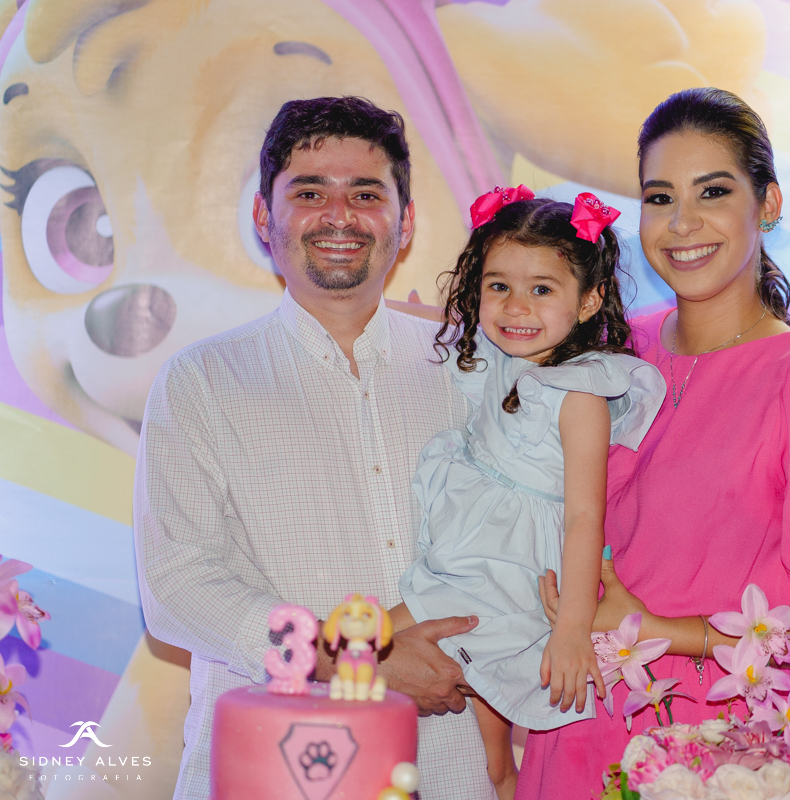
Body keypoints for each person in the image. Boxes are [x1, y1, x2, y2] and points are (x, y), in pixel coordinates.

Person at [515, 87, 790, 798]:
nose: (682, 223)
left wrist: (662, 629)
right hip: (572, 726)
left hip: (721, 753)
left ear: (769, 203)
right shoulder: (608, 354)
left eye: (713, 192)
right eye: (659, 198)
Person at [133, 96, 494, 800]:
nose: (339, 216)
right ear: (262, 216)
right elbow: (177, 586)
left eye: (366, 193)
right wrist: (355, 663)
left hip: (448, 763)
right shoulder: (201, 381)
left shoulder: (470, 370)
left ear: (406, 221)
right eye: (309, 193)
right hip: (265, 768)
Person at [388, 191, 666, 798]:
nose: (516, 307)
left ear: (588, 300)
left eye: (542, 289)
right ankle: (501, 777)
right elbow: (416, 321)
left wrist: (572, 630)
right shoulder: (497, 350)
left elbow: (585, 516)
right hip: (473, 543)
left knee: (369, 642)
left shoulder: (581, 393)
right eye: (499, 287)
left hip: (508, 564)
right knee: (486, 742)